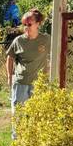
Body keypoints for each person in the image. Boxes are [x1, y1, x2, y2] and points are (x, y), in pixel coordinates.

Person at [6, 9, 50, 139]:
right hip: (20, 82)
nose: (26, 27)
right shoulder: (18, 41)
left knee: (37, 112)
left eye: (29, 24)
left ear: (38, 24)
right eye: (24, 24)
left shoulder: (46, 40)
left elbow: (55, 54)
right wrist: (9, 76)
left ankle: (34, 139)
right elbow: (9, 58)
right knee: (19, 112)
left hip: (38, 83)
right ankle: (17, 140)